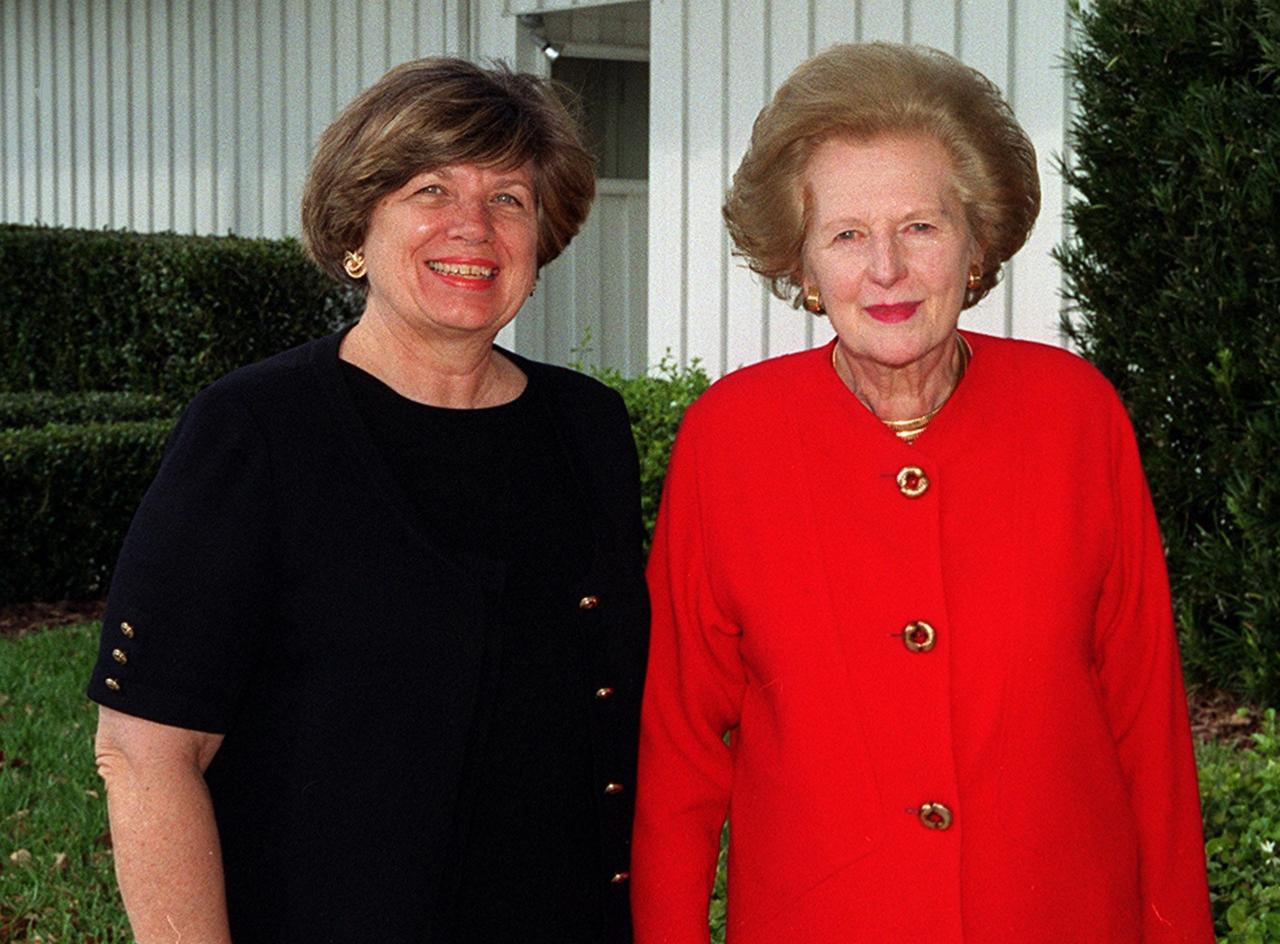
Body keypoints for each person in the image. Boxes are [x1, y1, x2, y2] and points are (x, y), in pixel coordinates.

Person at [631, 42, 1213, 943]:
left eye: (921, 227)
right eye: (848, 235)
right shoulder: (729, 440)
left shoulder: (1075, 415)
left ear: (977, 242)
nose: (887, 270)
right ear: (804, 265)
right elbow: (680, 748)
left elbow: (1149, 722)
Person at [88, 57, 648, 944]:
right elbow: (146, 751)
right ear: (358, 224)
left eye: (509, 198)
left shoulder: (587, 430)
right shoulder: (255, 431)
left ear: (542, 237)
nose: (473, 226)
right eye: (431, 188)